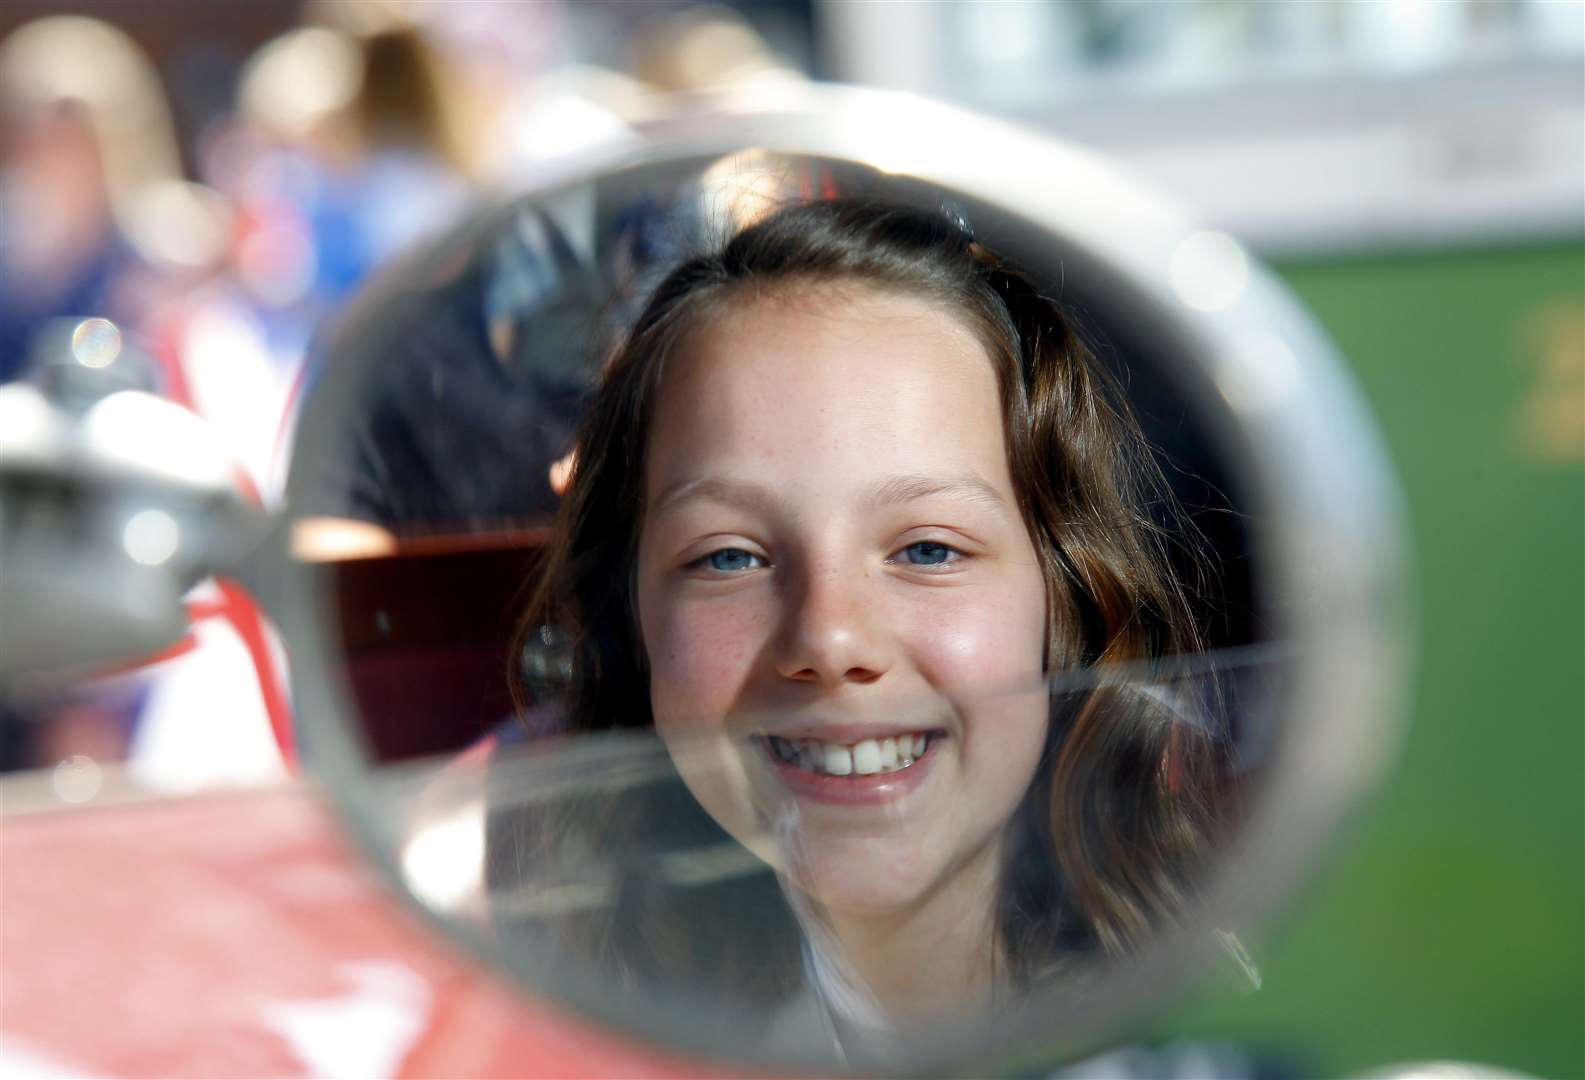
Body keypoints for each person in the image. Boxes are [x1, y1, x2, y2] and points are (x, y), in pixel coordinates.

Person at [506, 197, 1229, 1044]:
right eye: (728, 557)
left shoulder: (1220, 1009)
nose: (830, 639)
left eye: (927, 550)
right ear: (630, 625)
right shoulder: (543, 1023)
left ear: (1062, 598)